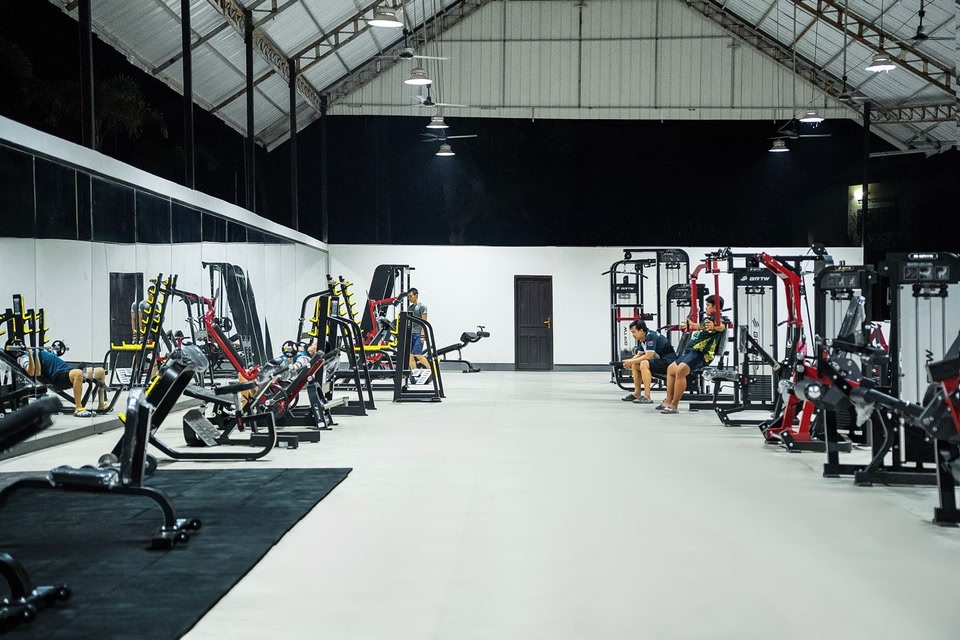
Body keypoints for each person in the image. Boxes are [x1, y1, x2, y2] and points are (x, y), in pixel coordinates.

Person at [659, 294, 726, 414]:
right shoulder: (707, 319)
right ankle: (668, 401)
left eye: (708, 305)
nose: (706, 307)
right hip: (691, 351)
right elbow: (701, 327)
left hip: (702, 354)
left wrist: (715, 327)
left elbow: (722, 326)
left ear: (715, 307)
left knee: (681, 370)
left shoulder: (717, 319)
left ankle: (674, 405)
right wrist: (691, 326)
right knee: (671, 369)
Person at [18, 347, 106, 418]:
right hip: (58, 377)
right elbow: (34, 373)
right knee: (78, 373)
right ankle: (79, 408)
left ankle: (101, 405)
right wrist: (32, 354)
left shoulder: (37, 351)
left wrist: (49, 351)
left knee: (101, 371)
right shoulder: (23, 358)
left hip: (67, 371)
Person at [620, 320, 677, 404]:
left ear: (641, 330)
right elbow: (639, 354)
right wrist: (629, 362)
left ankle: (647, 396)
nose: (633, 335)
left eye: (634, 332)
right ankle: (637, 393)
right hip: (660, 361)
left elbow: (648, 356)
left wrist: (630, 361)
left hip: (669, 362)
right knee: (635, 364)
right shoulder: (642, 339)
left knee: (644, 363)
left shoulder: (651, 336)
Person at [406, 288, 431, 383]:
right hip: (410, 333)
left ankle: (431, 371)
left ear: (416, 295)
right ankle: (415, 374)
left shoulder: (422, 307)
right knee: (410, 356)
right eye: (408, 297)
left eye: (410, 296)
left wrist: (422, 335)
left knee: (418, 355)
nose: (409, 298)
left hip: (418, 333)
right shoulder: (410, 308)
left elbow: (424, 322)